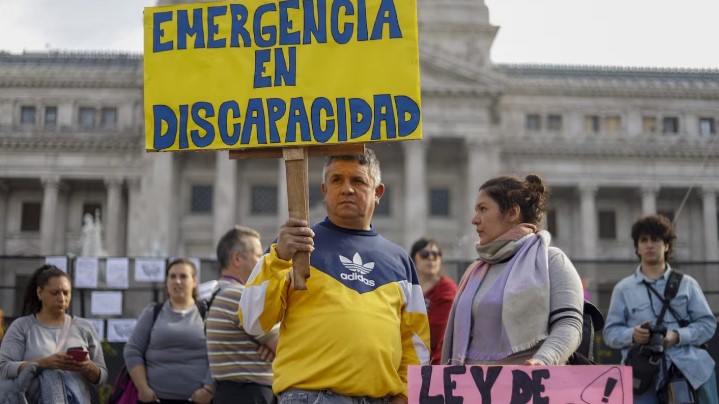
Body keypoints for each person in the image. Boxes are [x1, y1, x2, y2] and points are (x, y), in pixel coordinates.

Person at [239, 148, 430, 404]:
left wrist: (406, 396)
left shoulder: (400, 261)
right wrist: (279, 258)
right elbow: (252, 320)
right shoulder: (295, 247)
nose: (347, 189)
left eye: (358, 181)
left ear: (378, 192)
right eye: (337, 180)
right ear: (324, 190)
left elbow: (416, 344)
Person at [441, 174, 584, 366]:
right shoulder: (476, 270)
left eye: (483, 209)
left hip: (529, 381)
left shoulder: (551, 260)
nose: (475, 220)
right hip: (468, 383)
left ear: (512, 213)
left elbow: (569, 323)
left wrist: (543, 361)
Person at [603, 214, 718, 403]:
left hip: (690, 372)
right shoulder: (623, 289)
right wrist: (634, 335)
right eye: (644, 240)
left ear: (667, 245)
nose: (649, 245)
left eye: (656, 239)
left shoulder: (687, 284)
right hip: (642, 379)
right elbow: (609, 334)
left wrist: (677, 336)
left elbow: (708, 325)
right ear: (637, 247)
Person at [0, 264, 107, 402]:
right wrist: (43, 363)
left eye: (66, 293)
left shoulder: (84, 328)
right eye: (54, 293)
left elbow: (101, 377)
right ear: (40, 293)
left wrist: (88, 366)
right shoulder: (22, 327)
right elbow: (3, 368)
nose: (61, 298)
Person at [124, 258, 214, 404]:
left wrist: (209, 390)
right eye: (172, 276)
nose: (177, 281)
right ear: (166, 282)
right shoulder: (152, 312)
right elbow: (132, 350)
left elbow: (218, 354)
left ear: (194, 281)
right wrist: (143, 388)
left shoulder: (208, 314)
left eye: (183, 276)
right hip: (155, 400)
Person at [206, 226, 279, 404]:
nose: (263, 262)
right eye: (258, 255)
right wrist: (274, 348)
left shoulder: (220, 293)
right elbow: (286, 347)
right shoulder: (239, 296)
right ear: (237, 259)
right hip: (250, 394)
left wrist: (272, 346)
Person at [409, 237, 457, 365]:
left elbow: (442, 335)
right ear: (414, 258)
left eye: (436, 255)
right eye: (424, 254)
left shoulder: (447, 289)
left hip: (434, 363)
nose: (431, 258)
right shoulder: (406, 288)